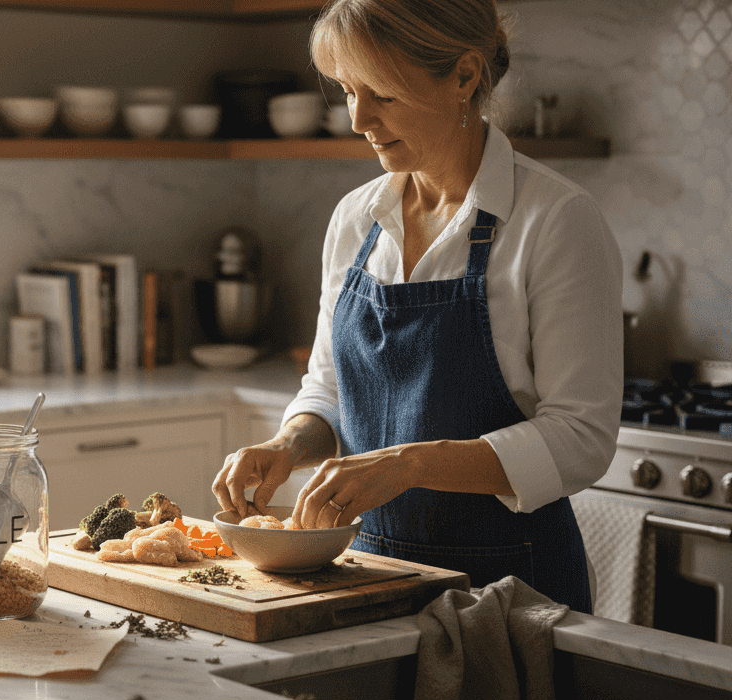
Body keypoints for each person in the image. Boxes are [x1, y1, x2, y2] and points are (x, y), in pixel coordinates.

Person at [212, 0, 622, 611]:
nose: (359, 120)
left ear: (463, 76)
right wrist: (289, 446)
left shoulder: (556, 220)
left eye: (381, 94)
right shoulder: (355, 219)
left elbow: (581, 439)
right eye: (349, 92)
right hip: (367, 575)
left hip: (511, 595)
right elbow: (328, 392)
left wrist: (406, 464)